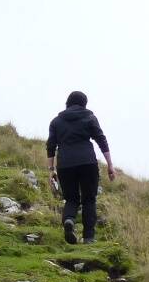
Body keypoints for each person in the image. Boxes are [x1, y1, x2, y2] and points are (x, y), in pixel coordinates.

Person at [47, 90, 114, 244]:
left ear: (67, 103)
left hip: (65, 164)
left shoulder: (56, 122)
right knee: (89, 199)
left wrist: (51, 170)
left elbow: (50, 146)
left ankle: (69, 220)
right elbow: (101, 140)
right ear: (84, 104)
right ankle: (89, 237)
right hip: (87, 162)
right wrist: (110, 165)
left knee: (71, 198)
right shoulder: (89, 117)